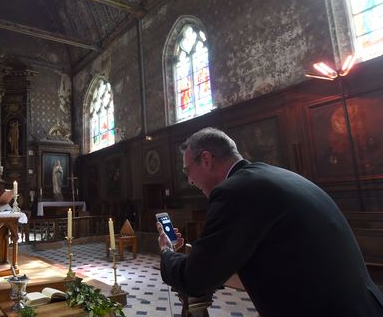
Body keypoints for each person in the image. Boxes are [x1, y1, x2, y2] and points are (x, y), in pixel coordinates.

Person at [157, 127, 383, 317]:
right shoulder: (275, 176)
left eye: (188, 171)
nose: (189, 180)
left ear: (206, 159)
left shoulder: (235, 192)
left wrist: (167, 252)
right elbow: (249, 263)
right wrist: (191, 253)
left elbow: (195, 280)